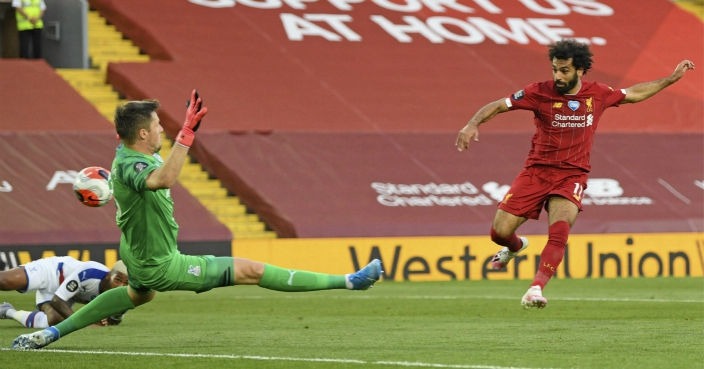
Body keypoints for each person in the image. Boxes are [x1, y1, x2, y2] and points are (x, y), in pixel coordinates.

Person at [12, 90, 382, 350]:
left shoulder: (127, 152)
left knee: (138, 295)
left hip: (138, 254)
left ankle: (49, 334)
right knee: (251, 271)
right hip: (160, 262)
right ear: (143, 134)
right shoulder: (133, 163)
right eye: (157, 125)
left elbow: (133, 156)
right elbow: (162, 180)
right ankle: (350, 281)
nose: (161, 130)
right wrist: (187, 134)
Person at [455, 39, 694, 310]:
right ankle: (515, 246)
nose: (558, 75)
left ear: (580, 70)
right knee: (499, 232)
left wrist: (672, 79)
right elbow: (499, 104)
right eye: (555, 69)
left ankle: (536, 288)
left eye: (565, 70)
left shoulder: (599, 94)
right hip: (536, 171)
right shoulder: (538, 92)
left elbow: (635, 93)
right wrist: (471, 124)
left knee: (559, 233)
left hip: (572, 175)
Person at [0, 256, 129, 328]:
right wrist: (85, 322)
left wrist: (103, 321)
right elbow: (57, 301)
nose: (121, 286)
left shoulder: (124, 293)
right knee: (3, 281)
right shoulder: (90, 272)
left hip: (67, 296)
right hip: (52, 273)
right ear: (108, 275)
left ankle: (8, 311)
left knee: (54, 320)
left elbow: (114, 319)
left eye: (126, 283)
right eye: (117, 280)